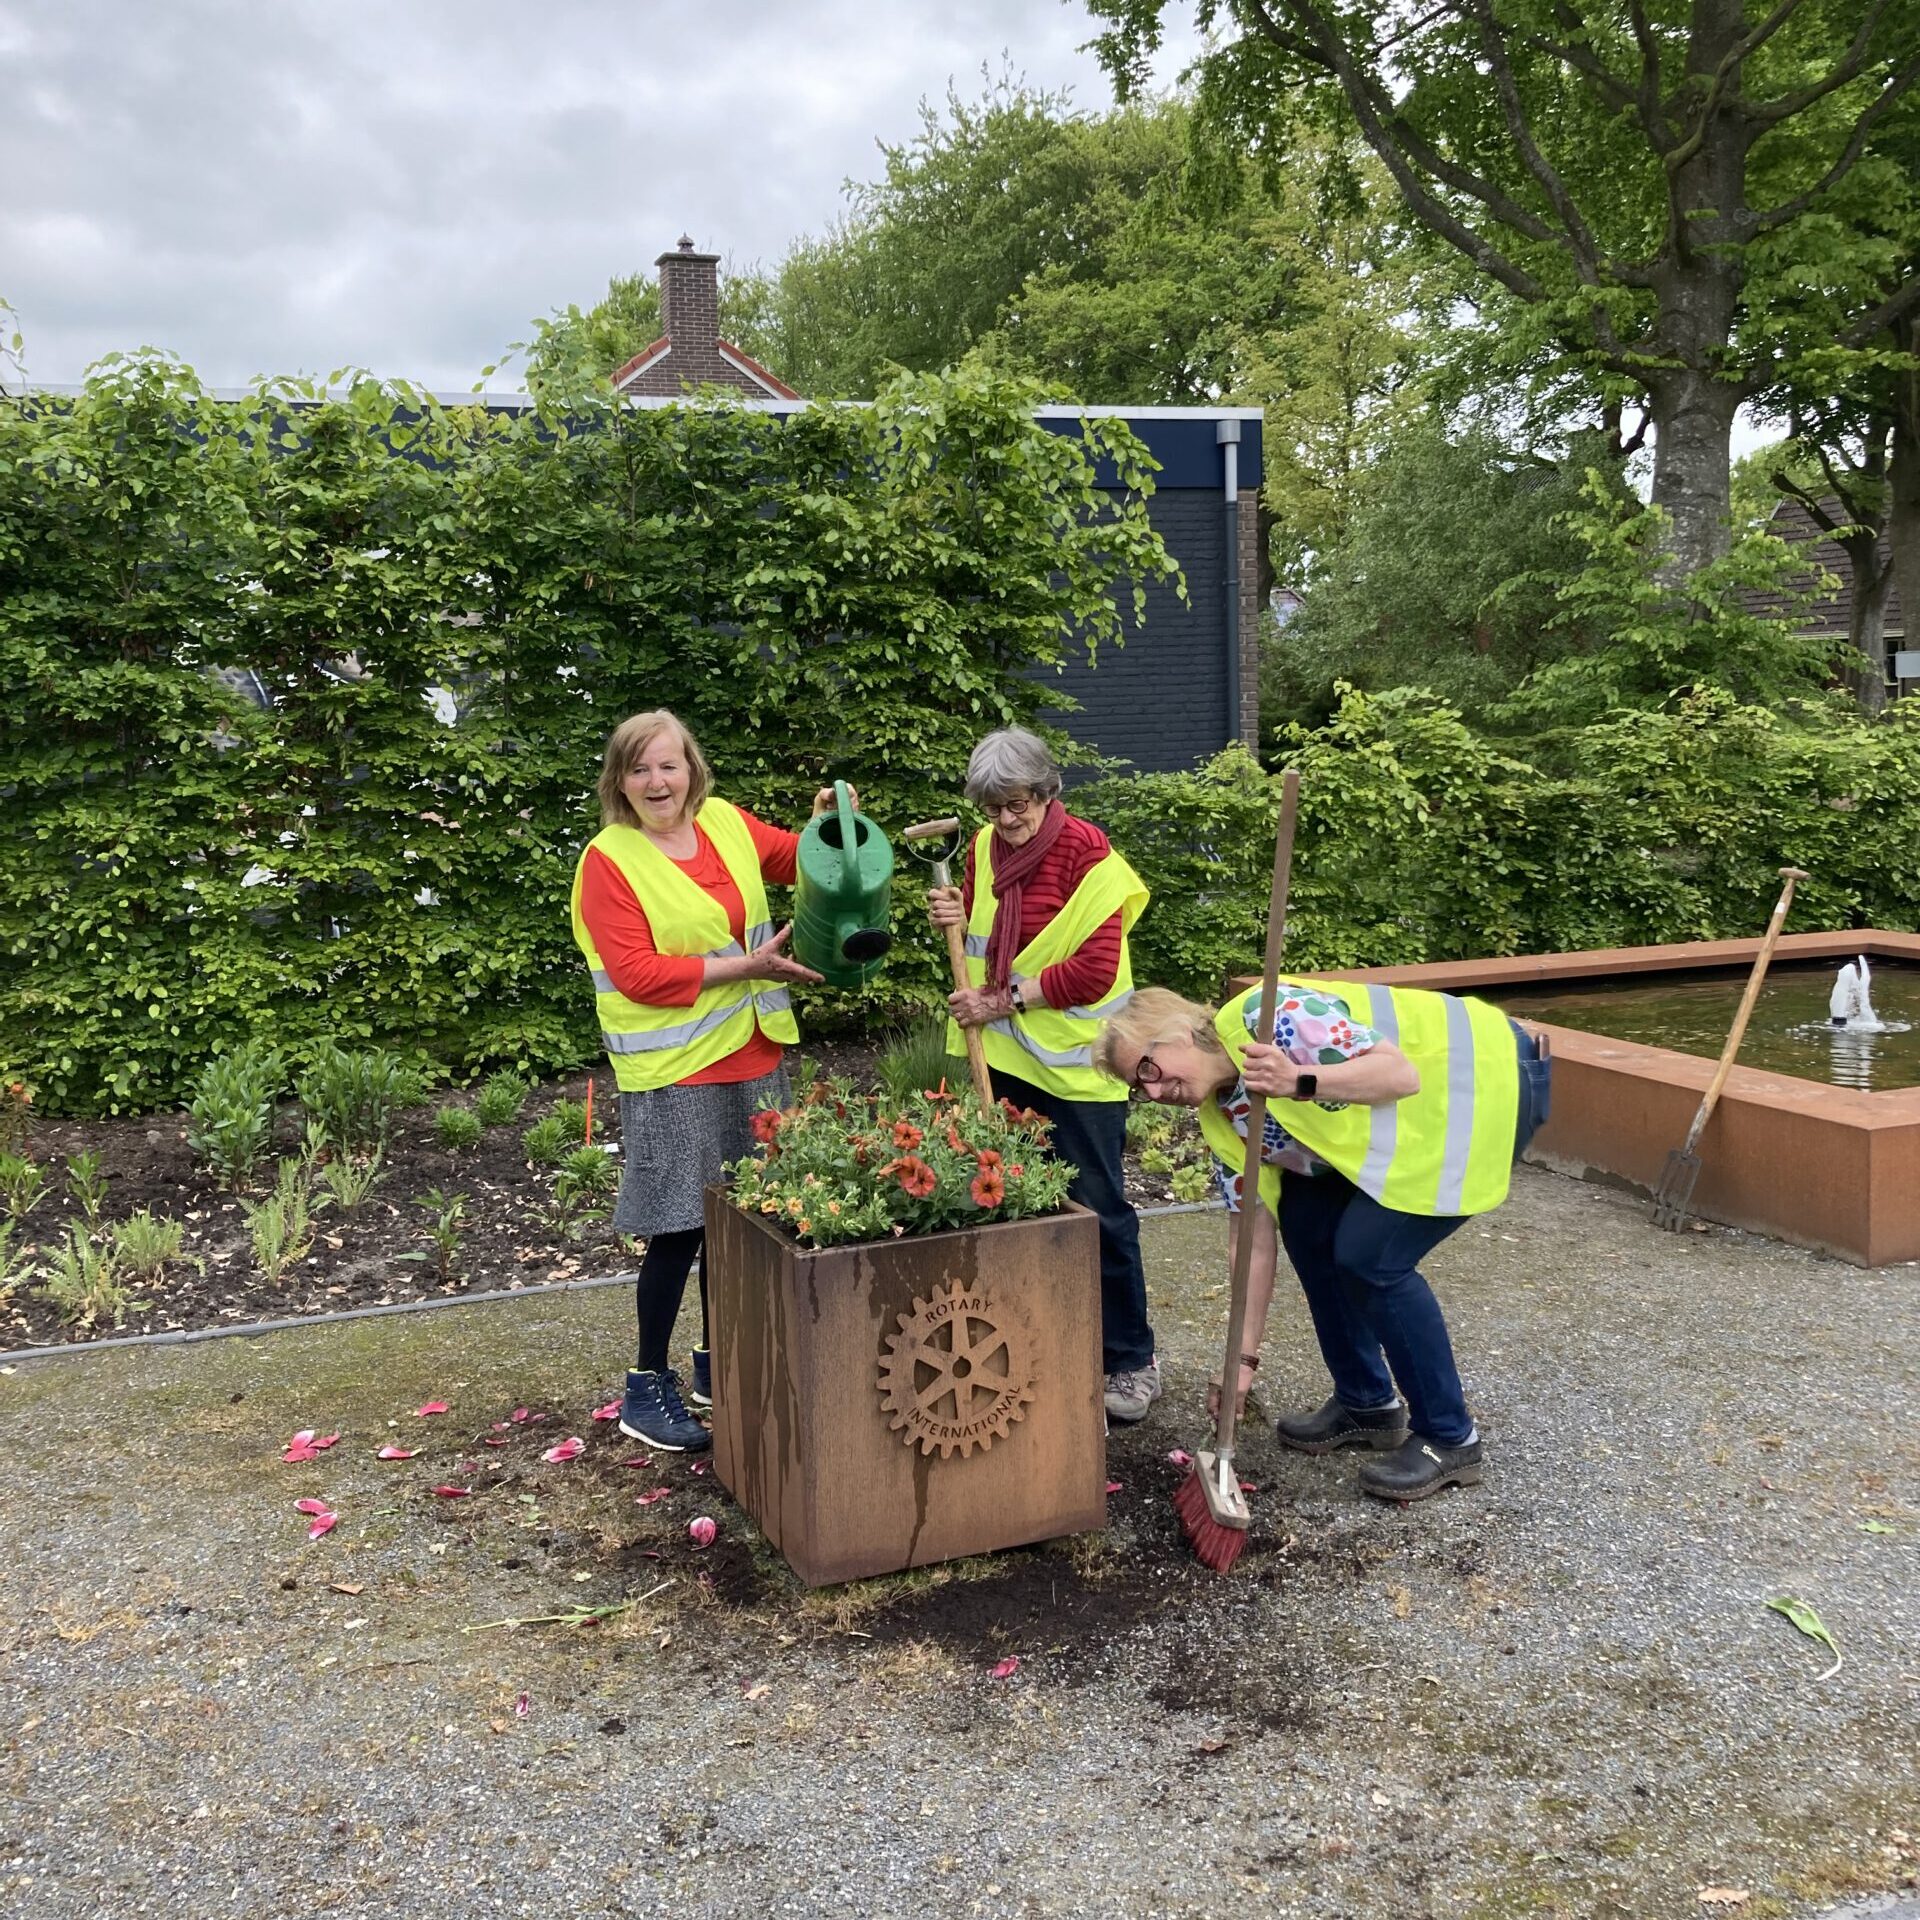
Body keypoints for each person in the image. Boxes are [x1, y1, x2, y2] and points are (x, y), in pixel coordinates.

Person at [1092, 979, 1551, 1500]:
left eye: (1148, 1069)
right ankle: (1367, 1403)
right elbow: (1251, 1242)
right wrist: (1239, 1364)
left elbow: (1399, 1074)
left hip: (1485, 1079)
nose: (1153, 1092)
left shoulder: (1269, 1016)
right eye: (1138, 1086)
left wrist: (1298, 1079)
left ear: (1174, 1033)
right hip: (1415, 1121)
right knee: (1308, 1227)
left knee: (1370, 1257)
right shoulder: (1225, 1120)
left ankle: (1449, 1436)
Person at [570, 708, 844, 1453]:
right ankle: (644, 1384)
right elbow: (639, 974)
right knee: (679, 1228)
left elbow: (797, 860)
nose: (658, 781)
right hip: (676, 1070)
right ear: (619, 781)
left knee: (743, 1223)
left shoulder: (724, 822)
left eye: (670, 764)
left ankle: (718, 1363)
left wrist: (827, 826)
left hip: (755, 1055)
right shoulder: (609, 860)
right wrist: (747, 968)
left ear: (692, 767)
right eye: (640, 768)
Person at [928, 727, 1160, 1422]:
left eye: (1018, 805)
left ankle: (1130, 1359)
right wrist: (953, 909)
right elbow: (984, 926)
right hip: (1005, 1058)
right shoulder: (981, 847)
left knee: (1099, 1214)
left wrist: (999, 1000)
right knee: (1018, 1203)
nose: (1006, 820)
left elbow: (1090, 968)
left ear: (1049, 791)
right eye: (994, 807)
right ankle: (1044, 1341)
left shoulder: (1089, 857)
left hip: (1079, 1067)